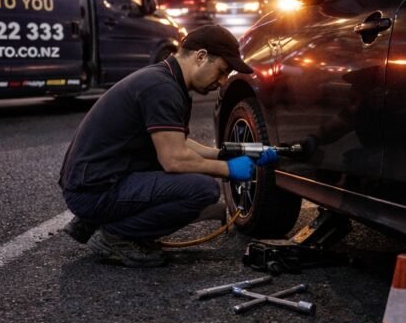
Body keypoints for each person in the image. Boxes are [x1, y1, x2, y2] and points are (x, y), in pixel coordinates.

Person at [58, 24, 277, 266]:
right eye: (222, 71)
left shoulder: (165, 79)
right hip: (93, 191)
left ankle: (95, 221)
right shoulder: (162, 88)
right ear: (201, 56)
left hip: (94, 181)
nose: (223, 81)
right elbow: (174, 159)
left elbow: (178, 142)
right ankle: (115, 237)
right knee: (203, 190)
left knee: (180, 170)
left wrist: (222, 155)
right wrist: (230, 170)